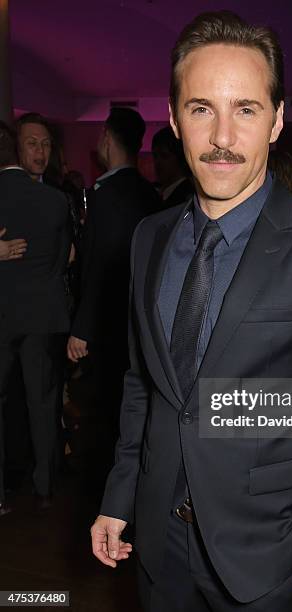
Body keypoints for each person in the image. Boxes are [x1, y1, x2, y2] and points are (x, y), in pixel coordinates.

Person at [90, 11, 292, 612]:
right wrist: (119, 498)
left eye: (245, 109)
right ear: (173, 120)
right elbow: (142, 383)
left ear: (276, 120)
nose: (223, 135)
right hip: (158, 544)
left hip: (266, 558)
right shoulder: (148, 237)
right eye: (201, 109)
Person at [67, 108, 162, 474]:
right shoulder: (149, 194)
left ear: (106, 136)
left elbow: (99, 266)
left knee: (110, 408)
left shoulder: (104, 195)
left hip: (109, 322)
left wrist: (82, 327)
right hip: (140, 318)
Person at [0, 121, 70, 514]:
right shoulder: (56, 201)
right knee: (43, 403)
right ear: (17, 149)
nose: (40, 151)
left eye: (46, 143)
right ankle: (44, 489)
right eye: (32, 143)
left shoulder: (53, 198)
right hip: (42, 313)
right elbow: (61, 263)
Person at [152, 125, 194, 208]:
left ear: (181, 158)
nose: (157, 162)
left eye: (165, 156)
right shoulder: (160, 193)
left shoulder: (185, 197)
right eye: (155, 156)